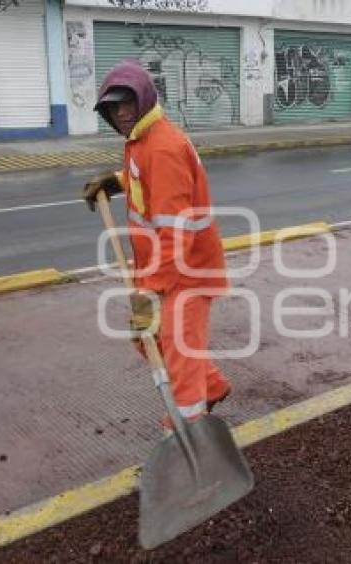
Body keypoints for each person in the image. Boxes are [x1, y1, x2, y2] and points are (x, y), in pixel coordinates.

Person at [82, 60, 231, 429]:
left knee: (178, 347)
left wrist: (152, 293)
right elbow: (147, 182)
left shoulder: (161, 147)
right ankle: (210, 387)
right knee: (144, 337)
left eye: (129, 103)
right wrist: (116, 181)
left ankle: (186, 430)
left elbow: (175, 229)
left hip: (188, 270)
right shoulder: (142, 141)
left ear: (146, 99)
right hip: (164, 268)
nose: (123, 112)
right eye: (114, 107)